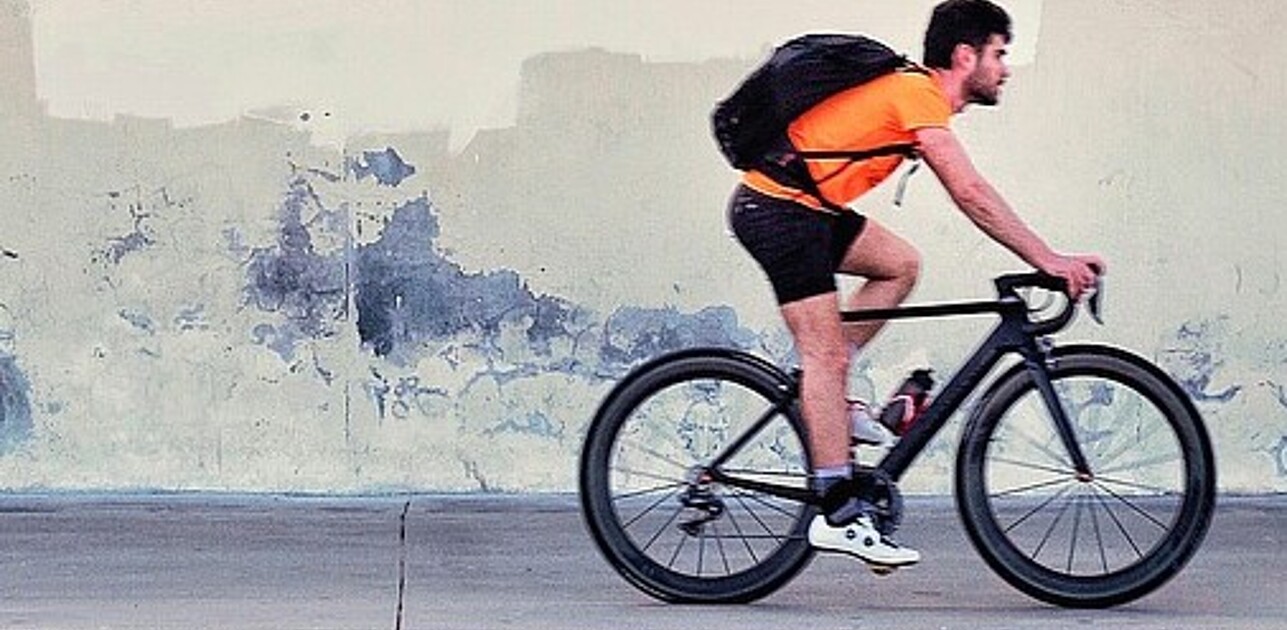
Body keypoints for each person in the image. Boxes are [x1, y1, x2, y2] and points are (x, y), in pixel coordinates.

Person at [726, 0, 1105, 568]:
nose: (1006, 69)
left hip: (806, 208)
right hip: (779, 211)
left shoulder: (913, 95)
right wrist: (1049, 258)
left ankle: (828, 389)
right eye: (1000, 54)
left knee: (899, 264)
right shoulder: (917, 95)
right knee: (824, 351)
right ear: (964, 55)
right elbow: (970, 193)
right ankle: (837, 512)